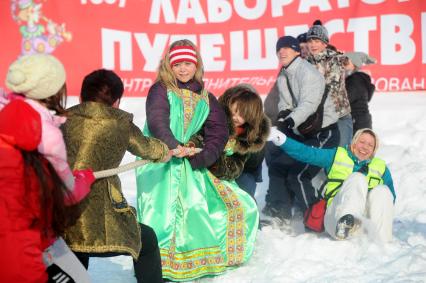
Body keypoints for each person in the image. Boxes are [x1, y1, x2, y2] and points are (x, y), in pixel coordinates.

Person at [135, 39, 259, 281]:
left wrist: (205, 156)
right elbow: (157, 119)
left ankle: (192, 261)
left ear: (197, 65)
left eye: (188, 64)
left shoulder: (205, 96)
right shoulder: (160, 89)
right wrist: (172, 146)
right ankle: (158, 266)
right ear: (169, 66)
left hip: (189, 162)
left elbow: (218, 131)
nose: (183, 69)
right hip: (160, 159)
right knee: (161, 214)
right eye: (178, 64)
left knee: (198, 208)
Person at [61, 69, 171, 283]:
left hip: (62, 215)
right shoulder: (120, 123)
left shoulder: (63, 119)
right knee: (146, 240)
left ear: (82, 97)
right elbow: (147, 148)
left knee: (73, 250)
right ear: (117, 102)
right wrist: (165, 151)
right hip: (103, 219)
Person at [0, 54, 94, 282]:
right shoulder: (46, 133)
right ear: (53, 89)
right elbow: (66, 193)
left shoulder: (6, 114)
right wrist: (85, 178)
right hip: (25, 238)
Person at [268, 127, 395, 242]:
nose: (365, 147)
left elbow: (391, 197)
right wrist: (282, 140)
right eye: (362, 142)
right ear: (354, 143)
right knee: (357, 178)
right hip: (335, 216)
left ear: (374, 150)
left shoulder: (381, 167)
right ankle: (346, 224)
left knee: (383, 190)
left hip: (365, 224)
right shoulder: (337, 155)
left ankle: (381, 239)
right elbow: (307, 153)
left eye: (370, 145)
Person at [263, 35, 340, 223]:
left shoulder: (308, 73)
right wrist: (282, 117)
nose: (281, 51)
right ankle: (280, 212)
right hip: (303, 131)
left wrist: (289, 122)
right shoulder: (284, 73)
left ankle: (316, 217)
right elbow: (285, 103)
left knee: (298, 174)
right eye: (278, 48)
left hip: (323, 132)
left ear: (297, 51)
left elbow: (309, 104)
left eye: (286, 48)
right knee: (278, 165)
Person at [196, 84, 270, 198]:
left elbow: (252, 164)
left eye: (242, 115)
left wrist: (237, 148)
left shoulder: (255, 134)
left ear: (250, 116)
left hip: (244, 169)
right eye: (234, 112)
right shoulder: (215, 119)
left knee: (244, 196)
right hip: (208, 166)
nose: (236, 117)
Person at [306, 20, 353, 146]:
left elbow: (331, 88)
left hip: (339, 117)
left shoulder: (335, 59)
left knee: (342, 154)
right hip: (317, 118)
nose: (313, 44)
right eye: (310, 41)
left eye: (316, 41)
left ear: (324, 43)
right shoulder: (305, 63)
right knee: (320, 158)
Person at [344, 52, 376, 133]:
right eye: (341, 62)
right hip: (360, 120)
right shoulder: (355, 79)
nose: (342, 66)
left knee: (356, 145)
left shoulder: (355, 80)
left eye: (346, 63)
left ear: (355, 66)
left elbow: (345, 100)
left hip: (357, 121)